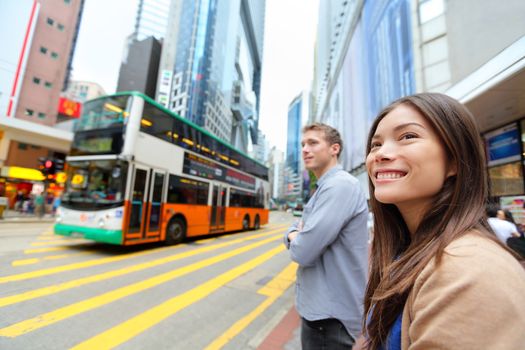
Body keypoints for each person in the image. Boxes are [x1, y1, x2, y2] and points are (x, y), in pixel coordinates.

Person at [364, 92, 525, 349]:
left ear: (454, 161)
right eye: (376, 144)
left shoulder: (468, 268)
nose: (381, 154)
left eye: (408, 136)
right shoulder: (408, 250)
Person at [284, 123, 368, 349]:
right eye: (303, 144)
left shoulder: (339, 186)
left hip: (329, 319)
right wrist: (296, 232)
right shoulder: (325, 188)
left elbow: (302, 250)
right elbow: (299, 229)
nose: (304, 149)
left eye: (313, 143)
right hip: (324, 315)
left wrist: (292, 235)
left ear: (334, 149)